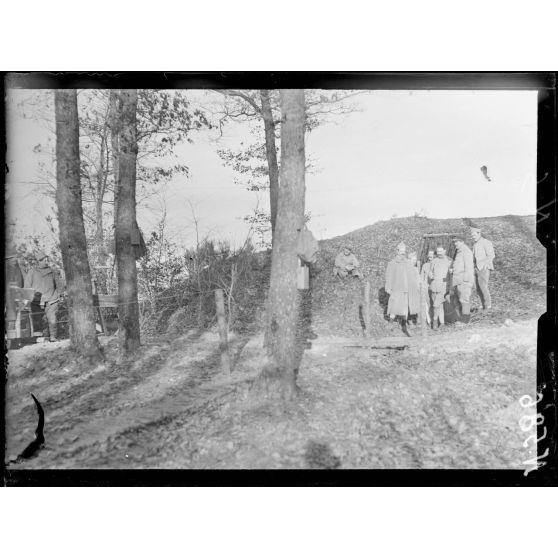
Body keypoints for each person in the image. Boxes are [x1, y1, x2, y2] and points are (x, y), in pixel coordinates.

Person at [24, 250, 65, 341]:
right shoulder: (32, 272)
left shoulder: (52, 271)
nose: (46, 261)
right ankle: (42, 338)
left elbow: (59, 284)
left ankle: (53, 337)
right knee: (38, 320)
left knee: (52, 319)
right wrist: (27, 300)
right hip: (36, 302)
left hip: (52, 300)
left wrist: (60, 295)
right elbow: (27, 287)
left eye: (47, 259)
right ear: (39, 261)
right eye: (44, 260)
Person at [385, 241, 420, 335]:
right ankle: (390, 323)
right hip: (397, 288)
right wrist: (388, 287)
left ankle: (404, 324)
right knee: (394, 307)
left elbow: (412, 276)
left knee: (405, 307)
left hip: (407, 288)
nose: (402, 254)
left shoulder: (408, 263)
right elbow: (389, 276)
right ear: (397, 251)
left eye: (404, 252)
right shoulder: (392, 263)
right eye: (401, 251)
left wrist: (415, 287)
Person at [450, 238, 474, 324]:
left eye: (457, 242)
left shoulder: (466, 252)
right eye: (454, 242)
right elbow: (459, 267)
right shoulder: (459, 252)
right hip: (458, 281)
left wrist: (466, 281)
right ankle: (463, 319)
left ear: (462, 242)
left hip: (464, 281)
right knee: (461, 300)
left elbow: (469, 268)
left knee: (464, 300)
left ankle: (465, 320)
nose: (455, 244)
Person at [471, 227, 495, 311]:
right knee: (477, 287)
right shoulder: (475, 244)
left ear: (479, 234)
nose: (473, 237)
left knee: (483, 286)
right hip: (476, 268)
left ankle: (488, 306)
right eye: (472, 235)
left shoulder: (486, 242)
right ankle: (481, 305)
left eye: (474, 235)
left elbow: (491, 255)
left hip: (483, 268)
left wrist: (486, 264)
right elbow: (474, 257)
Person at [429, 246, 452, 329]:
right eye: (438, 251)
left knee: (436, 305)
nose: (439, 253)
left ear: (445, 251)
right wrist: (430, 275)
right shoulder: (434, 261)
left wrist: (449, 286)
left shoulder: (449, 261)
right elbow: (430, 272)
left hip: (443, 286)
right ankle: (442, 323)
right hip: (434, 286)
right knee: (440, 305)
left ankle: (434, 322)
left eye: (441, 251)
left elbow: (451, 275)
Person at [4, 244, 24, 330]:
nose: (16, 259)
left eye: (16, 257)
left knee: (15, 316)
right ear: (8, 259)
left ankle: (14, 337)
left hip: (15, 295)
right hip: (8, 295)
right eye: (13, 258)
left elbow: (21, 281)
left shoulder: (17, 268)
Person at [420, 249, 435, 326]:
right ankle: (429, 320)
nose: (430, 256)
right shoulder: (425, 265)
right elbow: (422, 277)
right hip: (426, 287)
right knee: (428, 304)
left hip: (435, 287)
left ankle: (436, 320)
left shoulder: (437, 264)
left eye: (431, 254)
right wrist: (422, 284)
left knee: (436, 304)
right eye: (429, 255)